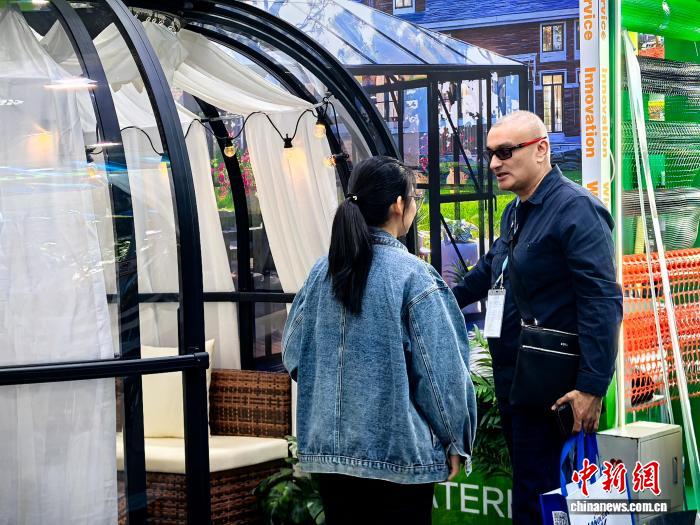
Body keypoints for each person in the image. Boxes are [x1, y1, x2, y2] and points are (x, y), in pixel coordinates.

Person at [282, 156, 476, 525]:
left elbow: (293, 354)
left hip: (329, 456)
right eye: (414, 198)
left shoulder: (322, 271)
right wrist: (456, 439)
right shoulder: (414, 276)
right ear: (399, 205)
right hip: (398, 457)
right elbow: (441, 376)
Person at [451, 111, 622, 525]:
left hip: (557, 392)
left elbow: (602, 301)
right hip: (518, 383)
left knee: (554, 501)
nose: (494, 163)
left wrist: (591, 388)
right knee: (531, 497)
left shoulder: (577, 210)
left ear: (541, 149)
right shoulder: (515, 212)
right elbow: (487, 272)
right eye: (490, 154)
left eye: (506, 152)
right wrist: (432, 300)